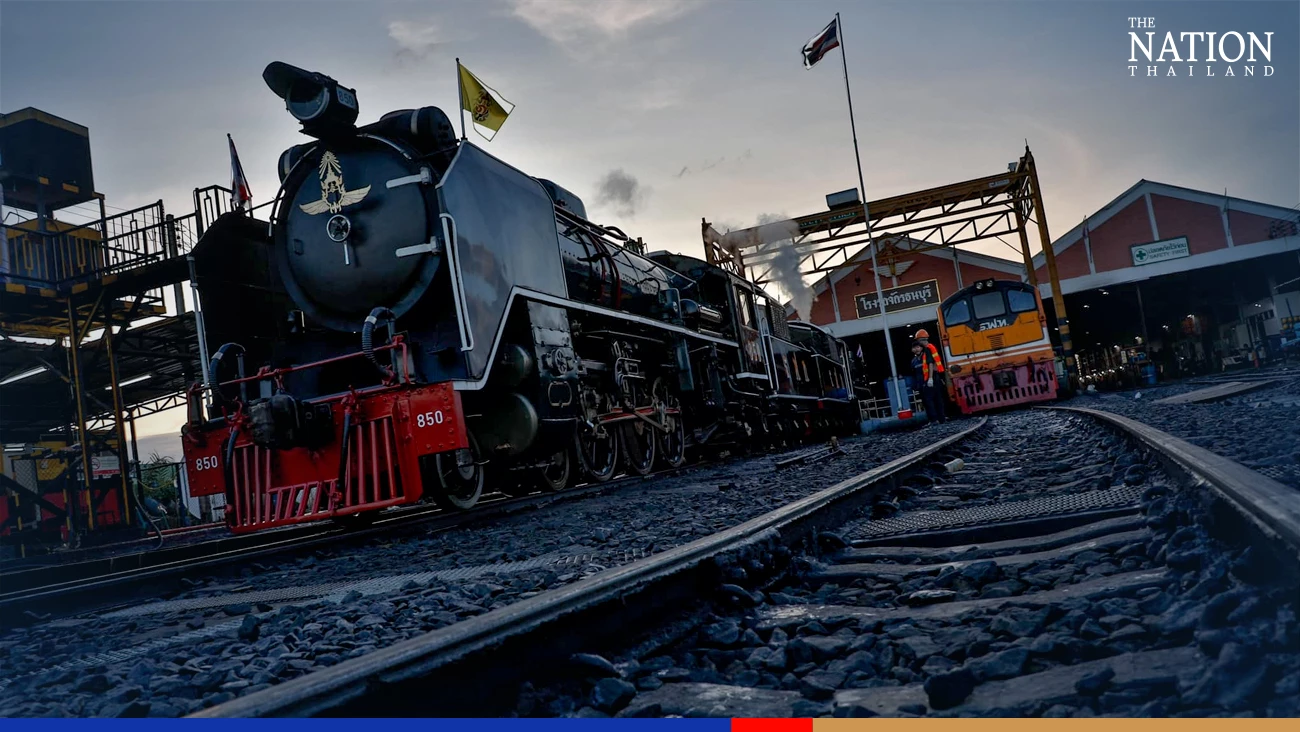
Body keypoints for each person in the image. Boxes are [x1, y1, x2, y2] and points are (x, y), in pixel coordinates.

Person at [914, 329, 947, 424]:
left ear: (921, 340)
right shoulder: (931, 347)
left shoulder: (927, 349)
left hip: (932, 377)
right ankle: (942, 419)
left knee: (930, 400)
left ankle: (934, 419)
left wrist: (930, 378)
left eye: (918, 341)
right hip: (936, 376)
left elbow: (930, 364)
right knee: (938, 399)